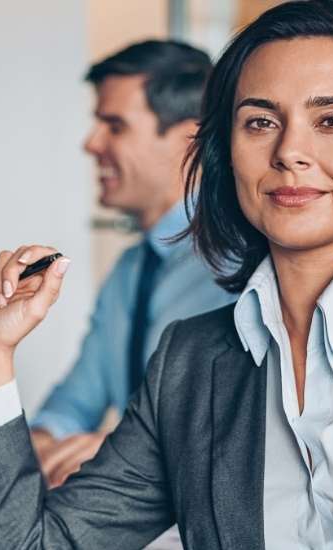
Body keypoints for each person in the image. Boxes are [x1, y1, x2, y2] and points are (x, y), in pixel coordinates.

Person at [0, 1, 333, 548]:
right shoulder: (189, 362)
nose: (290, 151)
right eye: (260, 122)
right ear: (225, 150)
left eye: (332, 120)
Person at [30, 40, 236, 487]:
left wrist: (120, 452)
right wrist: (41, 445)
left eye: (114, 126)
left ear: (189, 139)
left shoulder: (240, 262)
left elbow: (235, 429)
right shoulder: (129, 270)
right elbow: (75, 403)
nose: (91, 143)